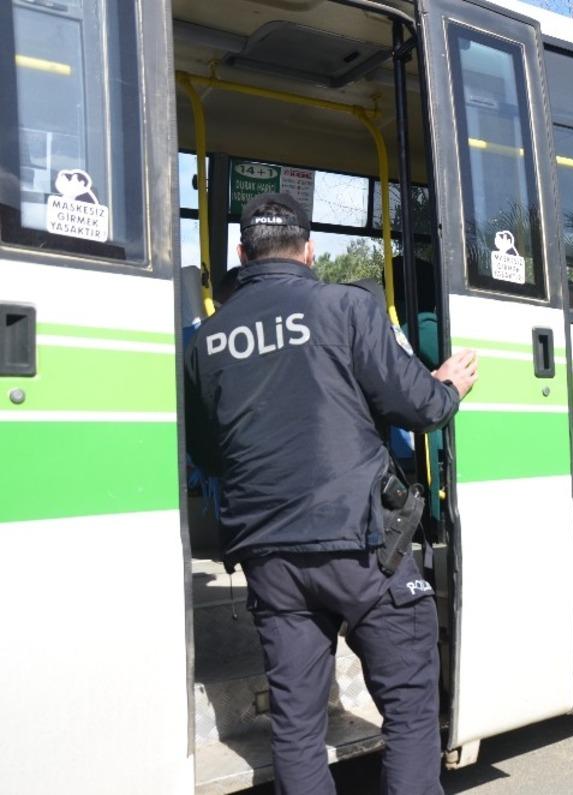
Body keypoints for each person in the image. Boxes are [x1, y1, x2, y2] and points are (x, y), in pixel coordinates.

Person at [184, 192, 477, 793]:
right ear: (309, 250)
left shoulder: (206, 341)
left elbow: (208, 455)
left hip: (270, 561)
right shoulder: (345, 307)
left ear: (243, 254)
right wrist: (445, 387)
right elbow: (417, 406)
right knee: (411, 711)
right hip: (364, 548)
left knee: (295, 728)